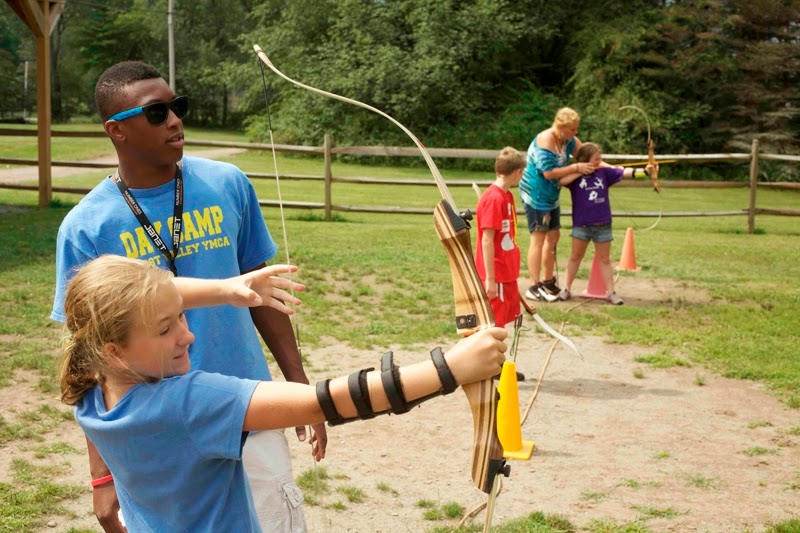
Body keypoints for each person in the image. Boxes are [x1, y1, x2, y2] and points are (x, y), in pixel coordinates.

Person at [51, 60, 325, 532]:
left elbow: (261, 294)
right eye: (156, 113)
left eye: (177, 107)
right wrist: (102, 476)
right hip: (154, 427)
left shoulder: (228, 184)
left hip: (249, 408)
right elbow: (90, 358)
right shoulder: (86, 227)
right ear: (116, 131)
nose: (175, 120)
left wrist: (299, 387)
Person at [59, 255, 508, 532]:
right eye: (165, 328)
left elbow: (141, 302)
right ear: (114, 349)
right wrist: (451, 367)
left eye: (181, 315)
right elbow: (324, 401)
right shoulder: (187, 402)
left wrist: (226, 290)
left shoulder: (91, 391)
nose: (187, 336)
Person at [557, 142, 658, 305]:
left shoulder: (604, 173)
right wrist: (580, 169)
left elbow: (626, 172)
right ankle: (566, 289)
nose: (599, 162)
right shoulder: (575, 177)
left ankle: (611, 293)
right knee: (575, 256)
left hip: (602, 223)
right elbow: (562, 180)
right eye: (596, 159)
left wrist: (646, 171)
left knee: (604, 259)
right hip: (582, 224)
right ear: (585, 160)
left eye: (600, 159)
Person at [519, 107, 595, 303]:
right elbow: (549, 172)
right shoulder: (546, 141)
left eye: (576, 129)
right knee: (538, 237)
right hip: (535, 195)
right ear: (561, 127)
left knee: (553, 236)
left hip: (551, 196)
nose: (575, 133)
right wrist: (576, 167)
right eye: (572, 129)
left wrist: (609, 168)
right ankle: (534, 285)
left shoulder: (569, 140)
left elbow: (587, 155)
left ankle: (548, 280)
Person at [475, 147, 526, 328]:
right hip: (496, 273)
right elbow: (487, 240)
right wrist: (490, 279)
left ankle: (498, 357)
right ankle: (491, 357)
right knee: (494, 328)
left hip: (507, 271)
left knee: (503, 322)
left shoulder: (507, 196)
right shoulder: (493, 199)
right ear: (517, 172)